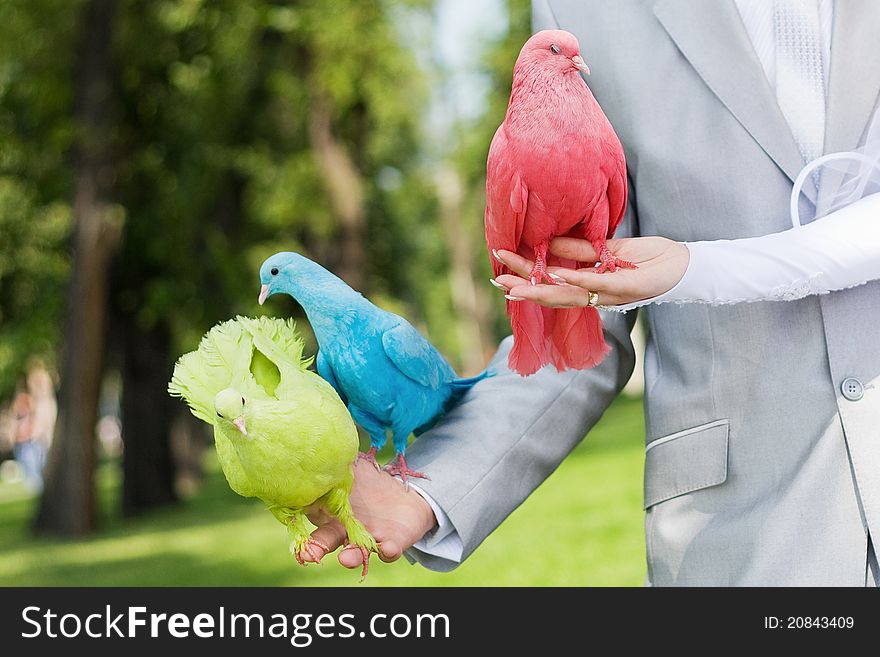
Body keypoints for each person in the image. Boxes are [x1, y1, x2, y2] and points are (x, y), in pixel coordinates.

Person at [303, 0, 880, 586]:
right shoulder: (583, 12)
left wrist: (696, 266)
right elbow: (574, 299)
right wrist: (432, 489)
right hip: (744, 530)